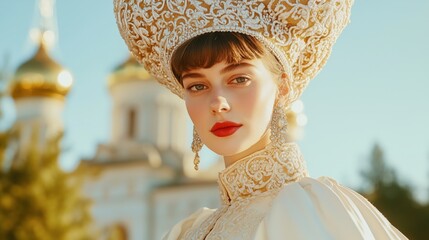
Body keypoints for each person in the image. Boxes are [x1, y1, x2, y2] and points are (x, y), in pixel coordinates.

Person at [114, 0, 408, 239]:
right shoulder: (186, 231)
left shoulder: (311, 210)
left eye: (239, 79)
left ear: (282, 87)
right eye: (197, 86)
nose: (218, 103)